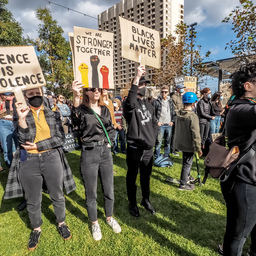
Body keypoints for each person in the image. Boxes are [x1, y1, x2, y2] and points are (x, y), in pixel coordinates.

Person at [4, 87, 76, 251]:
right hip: (28, 160)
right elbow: (24, 140)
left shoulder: (53, 113)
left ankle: (61, 222)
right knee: (32, 198)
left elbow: (59, 138)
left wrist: (38, 145)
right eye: (31, 94)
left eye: (38, 93)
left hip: (51, 158)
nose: (36, 96)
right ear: (26, 96)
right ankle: (36, 228)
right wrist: (22, 119)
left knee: (57, 194)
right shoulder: (20, 112)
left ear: (42, 94)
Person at [71, 82, 121, 241]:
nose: (97, 91)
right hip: (89, 152)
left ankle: (109, 217)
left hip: (105, 152)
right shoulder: (82, 110)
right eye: (93, 89)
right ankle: (94, 222)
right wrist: (75, 95)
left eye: (99, 89)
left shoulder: (105, 108)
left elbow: (111, 128)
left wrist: (110, 142)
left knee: (109, 189)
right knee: (91, 191)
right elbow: (74, 119)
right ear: (86, 92)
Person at [220, 62, 256, 256]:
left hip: (250, 177)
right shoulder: (241, 109)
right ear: (248, 86)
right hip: (244, 181)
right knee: (237, 235)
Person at [123, 65, 158, 217]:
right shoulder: (129, 104)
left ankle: (145, 199)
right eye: (141, 85)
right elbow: (131, 102)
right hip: (134, 148)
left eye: (145, 85)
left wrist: (153, 138)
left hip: (148, 149)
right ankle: (132, 203)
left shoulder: (149, 105)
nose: (144, 87)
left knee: (146, 176)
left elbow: (154, 123)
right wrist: (136, 77)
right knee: (132, 176)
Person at [173, 92, 202, 191]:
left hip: (180, 143)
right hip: (189, 144)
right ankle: (183, 184)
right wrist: (198, 147)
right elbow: (196, 134)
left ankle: (187, 177)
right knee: (187, 163)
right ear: (194, 103)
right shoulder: (192, 116)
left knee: (186, 162)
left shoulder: (178, 114)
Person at [153, 85, 175, 159]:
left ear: (168, 92)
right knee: (159, 142)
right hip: (161, 124)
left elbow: (173, 112)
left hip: (168, 124)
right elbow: (153, 113)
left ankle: (166, 156)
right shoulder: (156, 102)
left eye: (165, 92)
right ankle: (157, 156)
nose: (164, 93)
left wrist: (172, 121)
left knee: (168, 142)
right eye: (162, 92)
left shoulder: (170, 101)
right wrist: (157, 122)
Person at [0, 93, 18, 167]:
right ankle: (11, 169)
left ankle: (22, 168)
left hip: (16, 122)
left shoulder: (17, 97)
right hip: (4, 123)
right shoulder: (1, 100)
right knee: (7, 148)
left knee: (21, 146)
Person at [171, 83, 186, 156]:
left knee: (179, 134)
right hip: (176, 117)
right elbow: (174, 108)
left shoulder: (181, 97)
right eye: (181, 88)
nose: (183, 89)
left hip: (181, 116)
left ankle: (177, 147)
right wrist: (179, 114)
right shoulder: (174, 97)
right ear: (177, 89)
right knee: (174, 134)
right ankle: (172, 149)